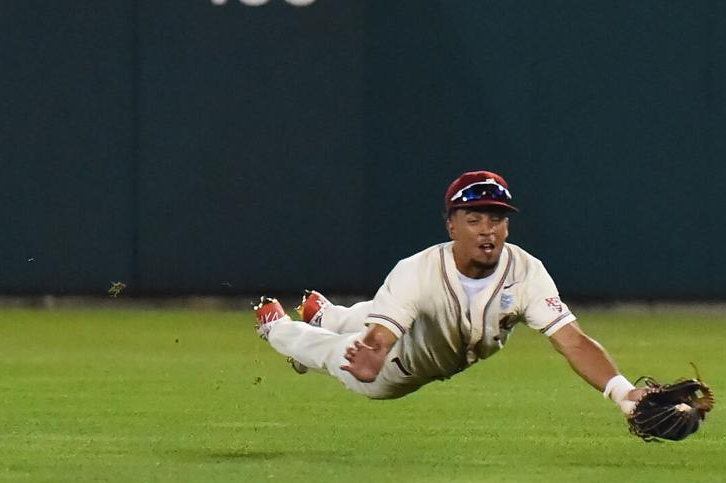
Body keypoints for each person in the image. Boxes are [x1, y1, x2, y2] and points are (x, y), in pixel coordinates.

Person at [253, 170, 645, 416]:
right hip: (399, 365)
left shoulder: (526, 271)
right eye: (474, 219)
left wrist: (624, 393)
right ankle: (278, 330)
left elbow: (572, 342)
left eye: (497, 219)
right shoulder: (416, 271)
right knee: (333, 351)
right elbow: (379, 342)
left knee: (374, 313)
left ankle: (327, 316)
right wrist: (370, 354)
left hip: (417, 326)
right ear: (451, 227)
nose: (487, 230)